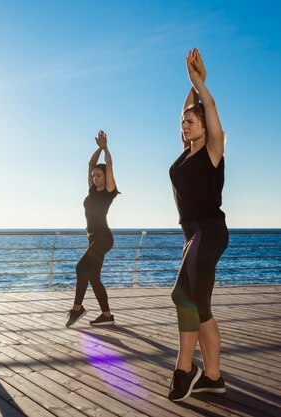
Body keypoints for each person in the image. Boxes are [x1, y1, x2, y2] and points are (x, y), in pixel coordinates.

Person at [167, 48, 228, 401]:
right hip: (193, 235)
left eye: (192, 121)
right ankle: (214, 377)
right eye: (183, 122)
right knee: (199, 304)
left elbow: (211, 110)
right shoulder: (186, 153)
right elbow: (186, 112)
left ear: (206, 126)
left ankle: (184, 368)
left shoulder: (213, 151)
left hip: (208, 229)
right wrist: (190, 81)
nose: (185, 124)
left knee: (182, 295)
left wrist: (199, 83)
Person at [66, 130, 119, 327]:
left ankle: (77, 308)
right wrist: (98, 148)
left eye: (98, 175)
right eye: (93, 176)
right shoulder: (91, 190)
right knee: (93, 277)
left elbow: (110, 164)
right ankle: (107, 315)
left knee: (80, 268)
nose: (95, 178)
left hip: (103, 238)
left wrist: (106, 148)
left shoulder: (108, 191)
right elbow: (89, 164)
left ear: (106, 176)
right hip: (93, 238)